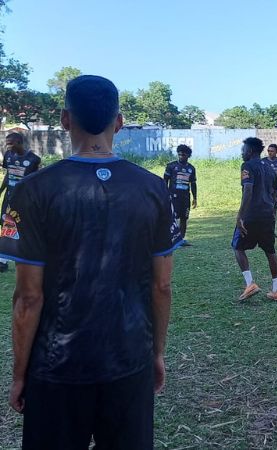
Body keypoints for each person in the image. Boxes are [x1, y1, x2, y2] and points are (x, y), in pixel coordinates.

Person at [0, 75, 181, 449]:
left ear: (66, 120)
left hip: (56, 367)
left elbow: (28, 298)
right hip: (130, 360)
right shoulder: (152, 188)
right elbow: (162, 285)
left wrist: (20, 374)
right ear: (119, 122)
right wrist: (157, 354)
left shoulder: (33, 190)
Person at [232, 137, 277, 301]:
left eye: (243, 150)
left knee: (237, 247)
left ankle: (250, 284)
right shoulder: (269, 167)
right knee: (270, 251)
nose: (242, 153)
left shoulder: (247, 166)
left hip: (251, 215)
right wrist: (274, 214)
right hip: (268, 215)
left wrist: (240, 215)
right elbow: (275, 193)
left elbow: (248, 190)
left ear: (251, 151)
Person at [0, 132, 41, 273]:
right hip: (9, 197)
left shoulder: (33, 159)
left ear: (18, 142)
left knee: (23, 226)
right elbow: (8, 174)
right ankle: (3, 261)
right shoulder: (8, 156)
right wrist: (0, 191)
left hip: (24, 199)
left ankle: (25, 256)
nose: (7, 145)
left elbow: (36, 181)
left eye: (10, 143)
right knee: (5, 223)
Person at [163, 144, 197, 245]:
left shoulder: (191, 168)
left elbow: (193, 184)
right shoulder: (171, 166)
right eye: (180, 154)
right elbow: (164, 181)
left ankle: (181, 240)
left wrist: (195, 198)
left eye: (184, 155)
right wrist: (165, 194)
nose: (181, 156)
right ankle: (171, 239)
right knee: (173, 218)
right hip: (173, 196)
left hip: (185, 197)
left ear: (188, 156)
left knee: (184, 218)